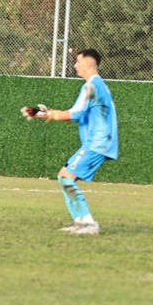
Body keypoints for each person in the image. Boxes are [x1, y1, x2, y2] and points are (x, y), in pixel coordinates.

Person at [22, 49, 118, 235]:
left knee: (66, 177)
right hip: (99, 141)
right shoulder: (98, 85)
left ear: (89, 64)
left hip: (98, 142)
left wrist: (47, 113)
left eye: (78, 62)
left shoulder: (91, 86)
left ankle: (89, 224)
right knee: (64, 177)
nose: (75, 65)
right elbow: (77, 115)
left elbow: (75, 114)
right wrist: (41, 113)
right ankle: (80, 222)